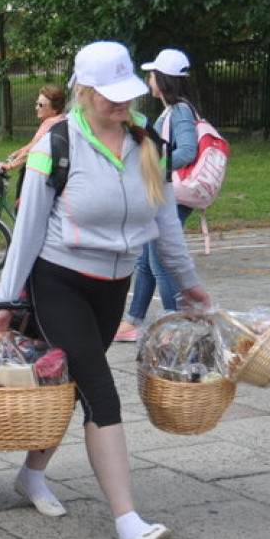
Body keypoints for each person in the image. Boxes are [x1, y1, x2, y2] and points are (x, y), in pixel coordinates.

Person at [0, 41, 210, 539]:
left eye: (124, 93)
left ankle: (30, 475)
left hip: (115, 287)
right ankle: (128, 522)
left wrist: (189, 280)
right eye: (107, 95)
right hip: (59, 281)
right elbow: (27, 231)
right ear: (82, 91)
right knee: (101, 394)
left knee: (71, 385)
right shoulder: (57, 144)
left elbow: (163, 222)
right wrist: (5, 300)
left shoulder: (145, 141)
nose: (118, 103)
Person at [115, 48, 200, 342]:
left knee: (161, 262)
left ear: (163, 79)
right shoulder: (171, 110)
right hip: (163, 194)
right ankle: (134, 320)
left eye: (152, 75)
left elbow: (188, 150)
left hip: (172, 195)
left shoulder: (180, 111)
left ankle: (173, 326)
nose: (149, 79)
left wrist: (154, 167)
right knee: (146, 261)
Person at [0, 85, 67, 193]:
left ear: (55, 108)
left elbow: (33, 150)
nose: (36, 108)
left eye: (41, 105)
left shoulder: (51, 125)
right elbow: (32, 144)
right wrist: (19, 152)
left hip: (41, 176)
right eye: (37, 104)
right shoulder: (60, 121)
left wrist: (9, 165)